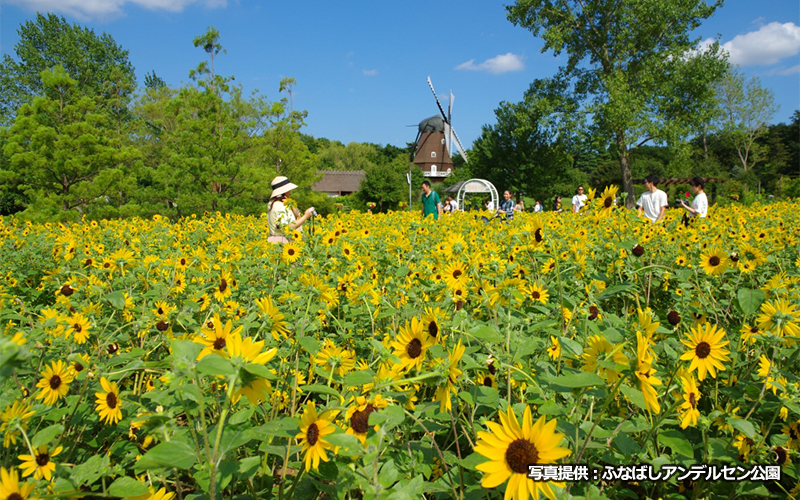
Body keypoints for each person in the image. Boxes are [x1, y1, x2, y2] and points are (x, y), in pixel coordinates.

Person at [268, 176, 315, 243]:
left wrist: (293, 208)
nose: (290, 191)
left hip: (273, 240)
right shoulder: (280, 206)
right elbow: (289, 227)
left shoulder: (272, 203)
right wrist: (305, 216)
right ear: (284, 191)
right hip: (282, 241)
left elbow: (294, 216)